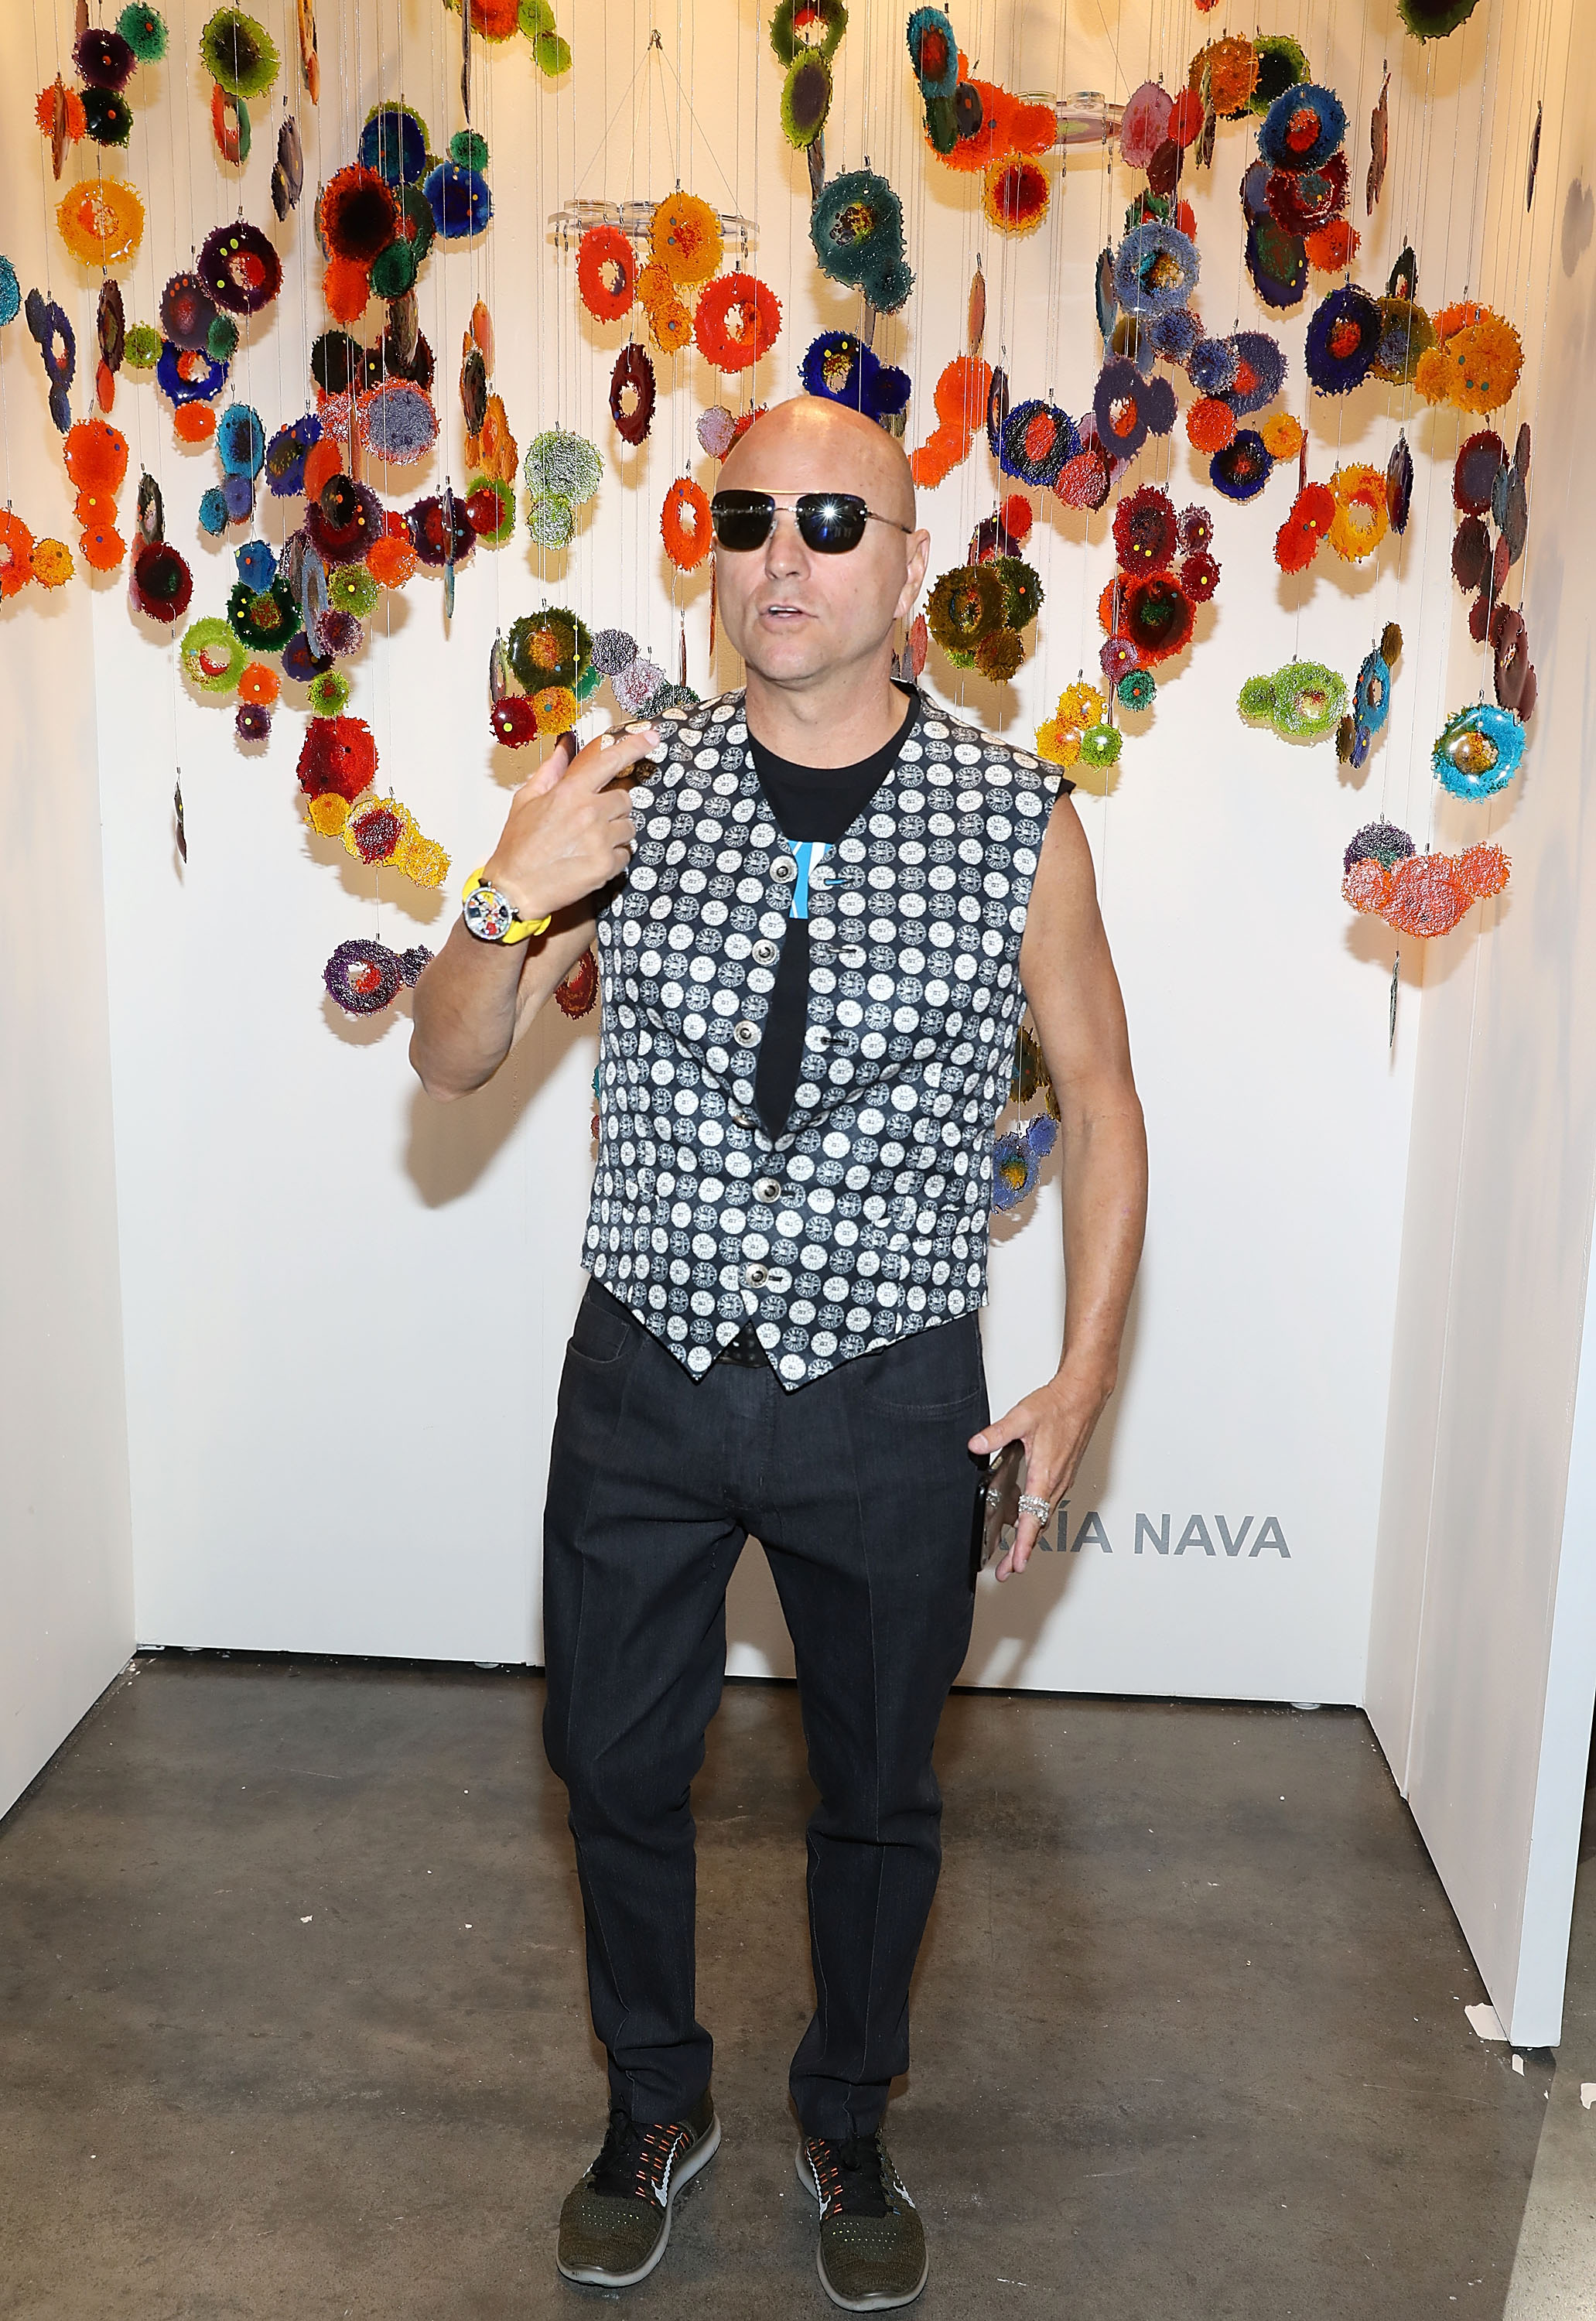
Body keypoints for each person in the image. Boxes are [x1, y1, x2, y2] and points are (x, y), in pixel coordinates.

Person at [410, 396, 1147, 2310]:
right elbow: (452, 1055)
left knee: (881, 1790)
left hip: (893, 1392)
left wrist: (1079, 1380)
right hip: (644, 1376)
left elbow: (1102, 1099)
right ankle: (653, 2102)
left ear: (912, 568)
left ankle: (848, 2117)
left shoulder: (1017, 820)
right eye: (747, 518)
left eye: (833, 520)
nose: (783, 554)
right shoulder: (620, 786)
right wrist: (508, 880)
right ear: (712, 552)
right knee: (608, 1761)